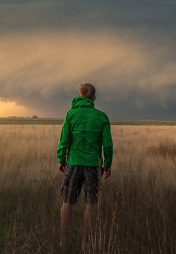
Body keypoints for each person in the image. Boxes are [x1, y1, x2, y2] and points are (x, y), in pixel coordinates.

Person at [57, 83, 113, 242]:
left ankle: (63, 240)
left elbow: (64, 141)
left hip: (73, 163)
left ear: (79, 95)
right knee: (91, 203)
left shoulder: (71, 114)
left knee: (67, 201)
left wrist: (61, 160)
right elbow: (107, 145)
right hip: (94, 165)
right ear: (93, 98)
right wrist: (107, 165)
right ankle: (87, 242)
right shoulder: (101, 116)